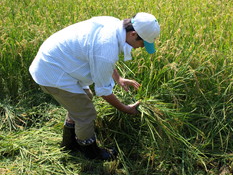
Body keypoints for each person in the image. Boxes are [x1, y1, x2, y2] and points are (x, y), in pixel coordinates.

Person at [29, 12, 160, 160]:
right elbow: (103, 90)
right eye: (142, 43)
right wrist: (125, 108)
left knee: (84, 99)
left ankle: (69, 143)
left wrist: (119, 79)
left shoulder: (114, 24)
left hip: (61, 62)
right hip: (53, 72)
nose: (140, 47)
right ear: (133, 34)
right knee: (86, 114)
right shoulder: (107, 47)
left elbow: (100, 57)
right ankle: (90, 152)